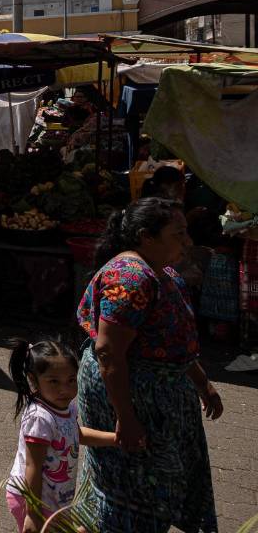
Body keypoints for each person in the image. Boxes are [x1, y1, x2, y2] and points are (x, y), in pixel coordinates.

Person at [76, 198, 222, 531]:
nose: (187, 241)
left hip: (157, 396)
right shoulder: (130, 279)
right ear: (146, 237)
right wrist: (125, 419)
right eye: (178, 233)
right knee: (134, 487)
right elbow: (109, 354)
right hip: (130, 397)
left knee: (161, 482)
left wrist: (202, 383)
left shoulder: (164, 273)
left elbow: (172, 341)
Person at [4, 336, 115, 531]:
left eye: (71, 380)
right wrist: (32, 513)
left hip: (54, 499)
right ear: (33, 380)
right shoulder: (40, 418)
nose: (64, 389)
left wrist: (114, 439)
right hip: (34, 500)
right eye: (54, 381)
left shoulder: (67, 407)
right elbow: (33, 467)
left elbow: (74, 434)